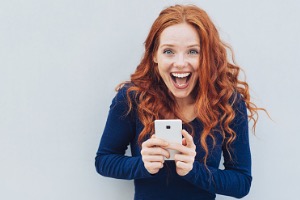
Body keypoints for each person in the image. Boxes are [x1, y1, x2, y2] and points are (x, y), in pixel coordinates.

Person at [95, 4, 264, 200]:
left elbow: (241, 183)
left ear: (206, 56)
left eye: (193, 51)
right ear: (154, 56)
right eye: (169, 51)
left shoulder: (228, 102)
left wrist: (193, 170)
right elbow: (104, 161)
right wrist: (142, 165)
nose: (181, 63)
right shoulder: (132, 98)